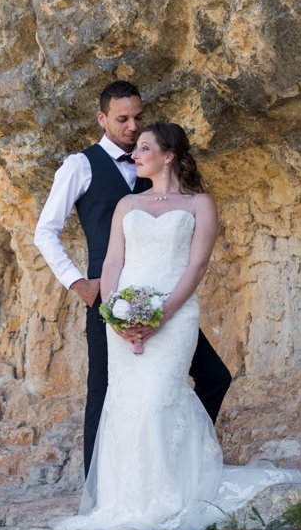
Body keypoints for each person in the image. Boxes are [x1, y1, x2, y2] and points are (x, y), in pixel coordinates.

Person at [52, 123, 301, 530]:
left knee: (161, 396)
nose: (135, 154)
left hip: (174, 315)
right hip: (123, 318)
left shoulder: (199, 204)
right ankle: (125, 499)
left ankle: (173, 492)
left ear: (169, 155)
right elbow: (112, 264)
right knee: (127, 403)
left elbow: (196, 267)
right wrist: (115, 316)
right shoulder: (127, 204)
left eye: (144, 148)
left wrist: (160, 315)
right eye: (136, 148)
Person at [34, 81, 231, 478]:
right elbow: (45, 230)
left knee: (213, 377)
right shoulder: (80, 165)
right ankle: (98, 488)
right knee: (105, 391)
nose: (131, 126)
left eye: (137, 117)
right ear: (102, 118)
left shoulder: (154, 161)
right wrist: (79, 283)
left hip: (162, 295)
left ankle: (184, 463)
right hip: (107, 296)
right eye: (122, 119)